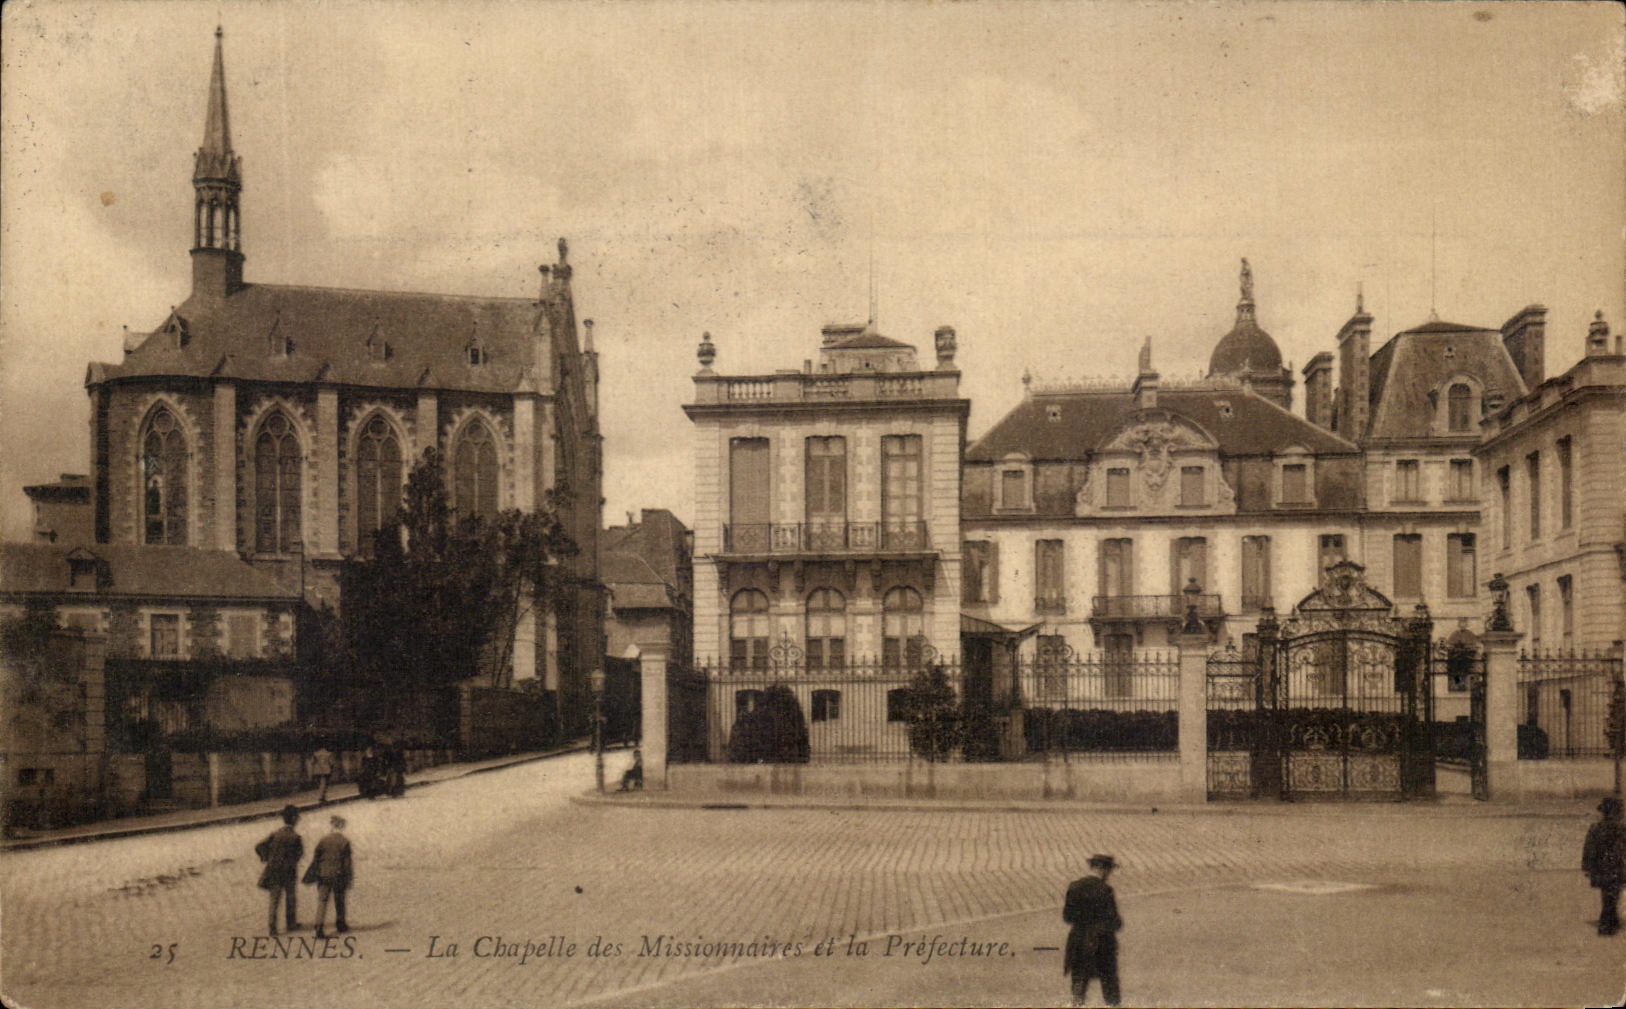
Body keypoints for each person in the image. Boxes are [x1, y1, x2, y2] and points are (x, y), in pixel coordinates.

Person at [1063, 853, 1122, 1007]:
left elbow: (1067, 917)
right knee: (1109, 983)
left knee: (1079, 982)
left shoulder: (1074, 887)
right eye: (1108, 871)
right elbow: (1115, 921)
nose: (1108, 875)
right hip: (1102, 943)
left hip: (1079, 940)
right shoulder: (1105, 890)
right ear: (1102, 870)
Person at [254, 804, 304, 935]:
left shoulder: (275, 834)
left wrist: (266, 858)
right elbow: (299, 855)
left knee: (274, 899)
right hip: (289, 872)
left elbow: (258, 846)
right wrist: (291, 862)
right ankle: (291, 923)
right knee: (290, 897)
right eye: (297, 818)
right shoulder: (296, 837)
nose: (298, 820)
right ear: (293, 819)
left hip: (274, 870)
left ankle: (272, 927)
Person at [303, 814, 353, 938]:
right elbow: (347, 863)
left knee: (322, 901)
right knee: (339, 900)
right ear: (341, 827)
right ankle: (341, 924)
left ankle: (319, 927)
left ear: (332, 826)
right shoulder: (344, 842)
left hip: (323, 875)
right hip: (338, 875)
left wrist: (316, 873)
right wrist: (349, 878)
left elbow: (316, 858)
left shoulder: (323, 840)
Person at [1583, 796, 1625, 936]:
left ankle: (1610, 921)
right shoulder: (1622, 829)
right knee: (1613, 895)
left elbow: (1589, 849)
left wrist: (1587, 867)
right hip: (1618, 868)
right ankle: (1607, 924)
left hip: (1602, 869)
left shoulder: (1596, 828)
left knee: (1607, 895)